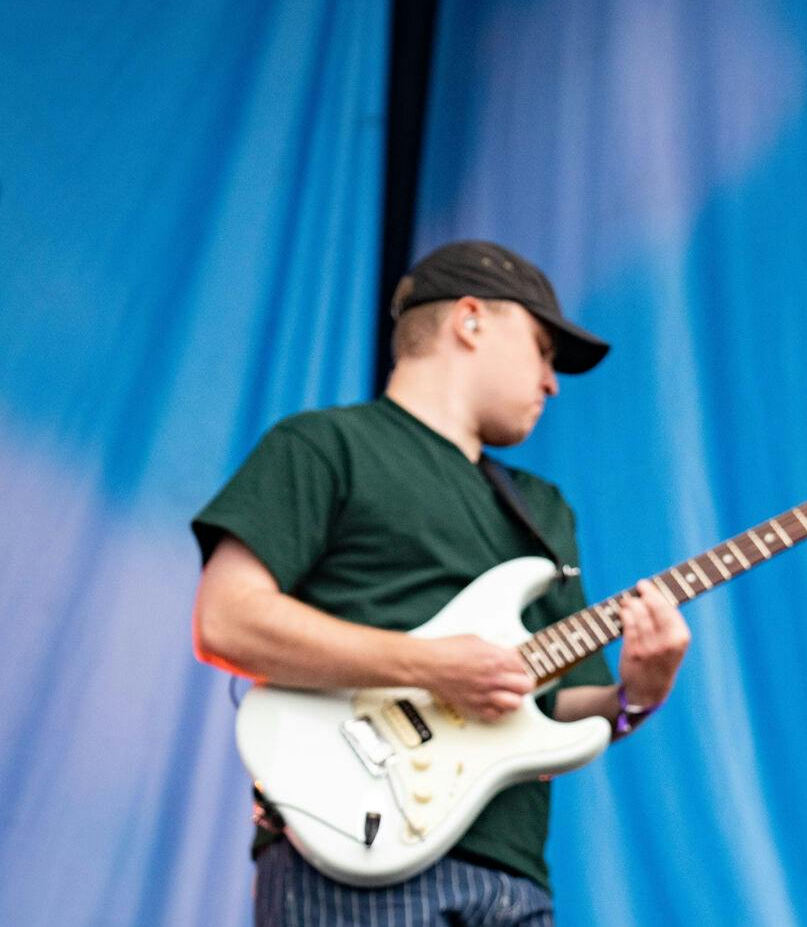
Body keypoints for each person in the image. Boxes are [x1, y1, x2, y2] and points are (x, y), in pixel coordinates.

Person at [192, 240, 691, 925]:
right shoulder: (326, 445)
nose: (552, 381)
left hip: (515, 880)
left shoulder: (542, 510)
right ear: (469, 318)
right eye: (543, 348)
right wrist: (432, 665)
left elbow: (568, 710)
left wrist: (641, 693)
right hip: (352, 849)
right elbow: (226, 620)